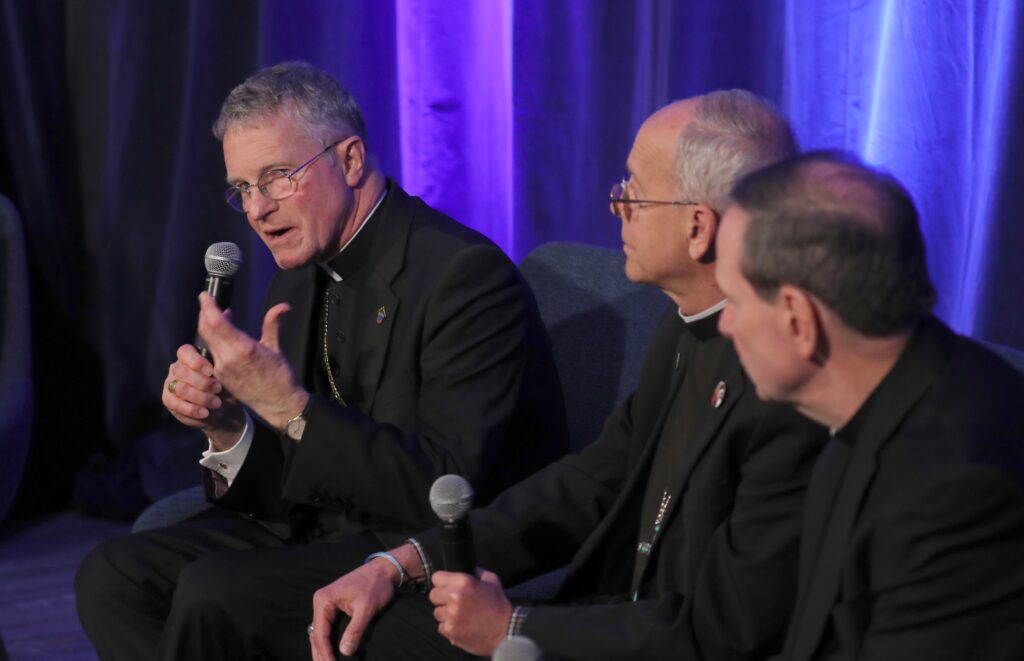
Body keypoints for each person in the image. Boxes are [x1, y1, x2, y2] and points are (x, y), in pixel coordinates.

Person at [309, 90, 828, 660]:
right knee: (349, 618)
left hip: (653, 642)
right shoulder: (683, 327)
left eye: (635, 191)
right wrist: (406, 561)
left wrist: (514, 627)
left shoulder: (790, 389)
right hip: (607, 621)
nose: (618, 206)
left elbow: (730, 629)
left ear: (699, 227)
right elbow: (588, 485)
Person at [74, 61, 568, 660]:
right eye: (243, 189)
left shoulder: (465, 278)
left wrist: (285, 403)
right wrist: (227, 427)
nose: (257, 209)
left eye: (278, 177)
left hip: (417, 545)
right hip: (321, 529)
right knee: (113, 576)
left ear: (351, 160)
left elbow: (444, 484)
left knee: (216, 593)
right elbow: (289, 486)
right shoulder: (300, 278)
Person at [715, 151, 1024, 660]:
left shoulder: (958, 488)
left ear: (797, 317)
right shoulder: (863, 414)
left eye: (735, 301)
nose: (725, 326)